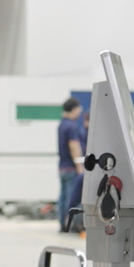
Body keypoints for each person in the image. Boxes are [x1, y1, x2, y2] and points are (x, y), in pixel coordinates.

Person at [57, 98, 84, 232]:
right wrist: (79, 166)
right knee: (71, 197)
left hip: (62, 167)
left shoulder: (62, 124)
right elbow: (74, 146)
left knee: (63, 197)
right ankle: (70, 223)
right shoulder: (72, 126)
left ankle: (63, 223)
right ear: (74, 109)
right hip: (71, 167)